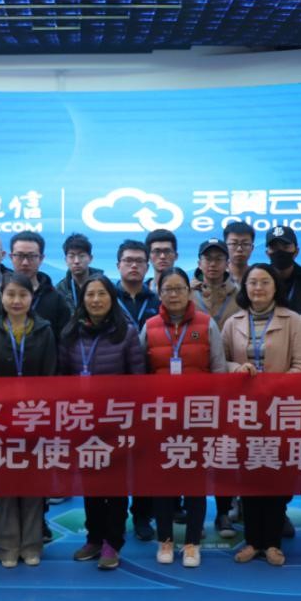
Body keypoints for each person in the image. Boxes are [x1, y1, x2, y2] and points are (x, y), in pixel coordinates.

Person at [222, 263, 301, 567]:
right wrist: (238, 368)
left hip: (280, 410)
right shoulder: (232, 322)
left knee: (277, 476)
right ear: (244, 287)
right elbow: (221, 363)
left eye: (264, 282)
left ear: (275, 287)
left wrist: (276, 386)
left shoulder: (292, 320)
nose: (258, 288)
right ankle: (252, 541)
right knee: (249, 476)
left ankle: (272, 542)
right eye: (252, 282)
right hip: (245, 411)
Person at [58, 274, 146, 570]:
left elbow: (137, 379)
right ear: (82, 300)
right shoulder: (70, 332)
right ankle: (94, 537)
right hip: (82, 421)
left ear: (112, 298)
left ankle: (112, 541)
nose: (96, 300)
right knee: (91, 483)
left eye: (102, 294)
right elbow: (61, 378)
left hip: (116, 422)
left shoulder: (126, 333)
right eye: (90, 295)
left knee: (115, 484)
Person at [140, 267, 226, 568]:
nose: (174, 294)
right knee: (162, 482)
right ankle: (165, 539)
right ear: (159, 292)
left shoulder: (206, 323)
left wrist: (215, 411)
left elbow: (218, 369)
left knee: (194, 482)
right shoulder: (149, 326)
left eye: (179, 288)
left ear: (190, 292)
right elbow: (139, 373)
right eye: (168, 289)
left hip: (197, 417)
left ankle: (192, 543)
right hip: (161, 417)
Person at [0, 273, 58, 567]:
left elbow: (51, 376)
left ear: (32, 298)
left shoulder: (45, 330)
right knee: (7, 483)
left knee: (34, 483)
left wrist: (41, 416)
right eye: (10, 294)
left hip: (36, 418)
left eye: (22, 295)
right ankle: (7, 545)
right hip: (1, 420)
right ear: (1, 297)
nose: (16, 300)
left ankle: (32, 544)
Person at [190, 237, 242, 539]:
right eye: (207, 258)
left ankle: (224, 512)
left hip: (228, 380)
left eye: (218, 258)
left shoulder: (240, 293)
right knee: (190, 449)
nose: (213, 264)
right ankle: (190, 511)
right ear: (199, 262)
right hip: (193, 382)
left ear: (227, 262)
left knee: (224, 449)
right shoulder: (187, 292)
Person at [112, 239, 159, 540]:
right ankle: (114, 518)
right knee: (115, 456)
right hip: (114, 390)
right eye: (128, 260)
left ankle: (143, 516)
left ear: (147, 265)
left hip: (151, 389)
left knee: (145, 457)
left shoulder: (157, 300)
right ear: (118, 264)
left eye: (140, 261)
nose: (134, 265)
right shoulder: (105, 297)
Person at [0, 232, 71, 338]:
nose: (25, 262)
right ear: (11, 257)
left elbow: (63, 340)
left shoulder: (56, 299)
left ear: (41, 259)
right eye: (20, 256)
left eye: (31, 256)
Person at [265, 225, 301, 313]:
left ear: (296, 251)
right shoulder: (259, 284)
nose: (280, 252)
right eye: (274, 248)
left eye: (285, 247)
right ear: (267, 254)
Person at [55, 232, 103, 311]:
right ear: (66, 260)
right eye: (71, 256)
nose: (76, 261)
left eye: (81, 256)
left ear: (90, 258)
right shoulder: (59, 290)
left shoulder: (104, 285)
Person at [223, 221, 256, 286]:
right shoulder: (218, 276)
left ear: (252, 248)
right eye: (234, 243)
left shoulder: (258, 276)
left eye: (245, 244)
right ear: (225, 246)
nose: (239, 249)